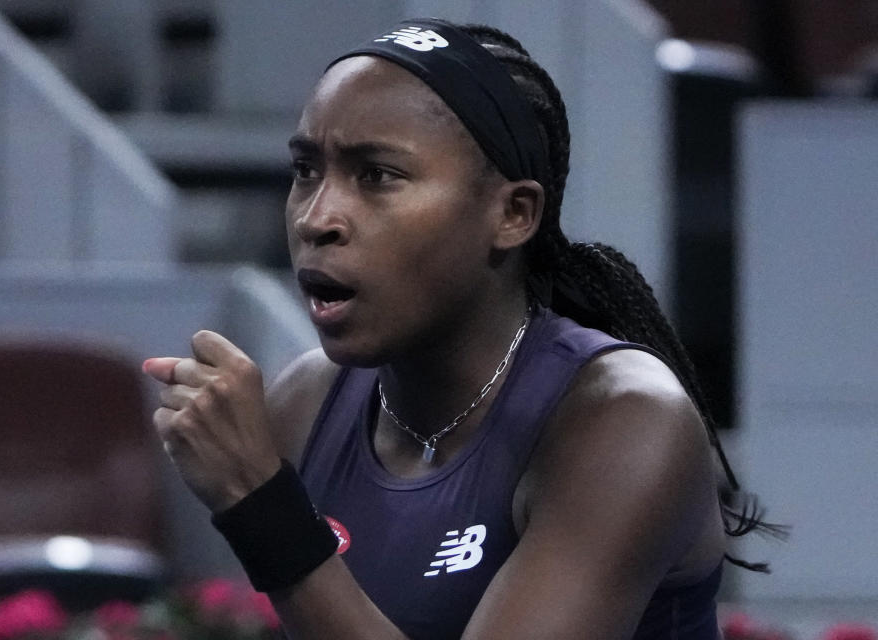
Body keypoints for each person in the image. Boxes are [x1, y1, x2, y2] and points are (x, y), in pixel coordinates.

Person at [143, 18, 771, 639]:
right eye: (306, 171)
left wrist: (264, 506)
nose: (317, 217)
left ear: (513, 214)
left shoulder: (628, 418)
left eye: (377, 175)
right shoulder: (306, 403)